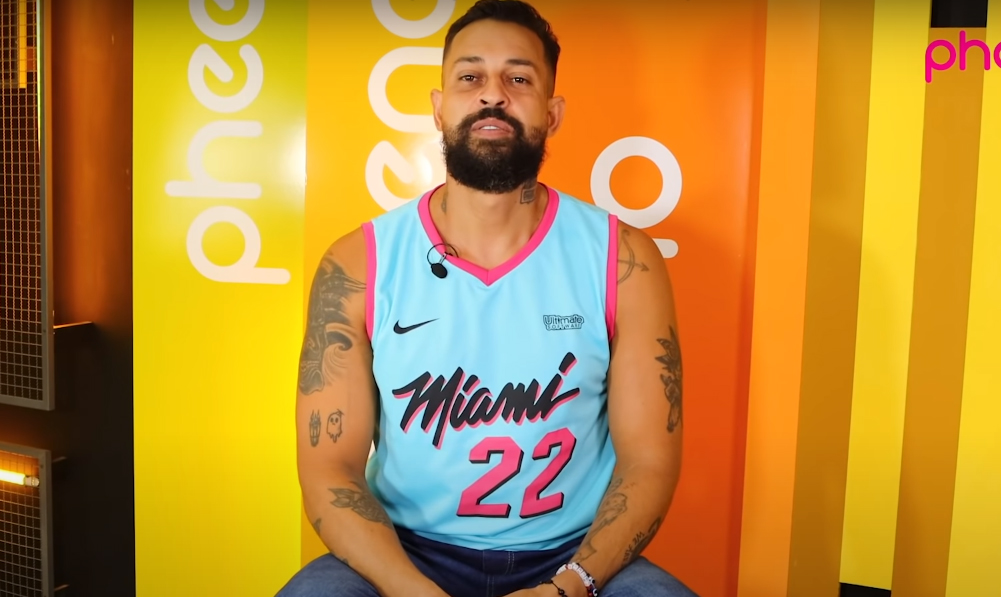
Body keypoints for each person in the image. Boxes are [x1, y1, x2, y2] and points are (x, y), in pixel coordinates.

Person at [277, 1, 696, 596]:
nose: (492, 94)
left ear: (552, 113)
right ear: (438, 106)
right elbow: (329, 470)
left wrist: (570, 585)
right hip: (406, 553)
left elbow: (648, 463)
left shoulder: (625, 261)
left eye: (518, 79)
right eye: (469, 76)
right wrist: (412, 591)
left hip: (572, 555)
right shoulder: (356, 264)